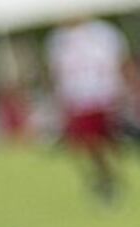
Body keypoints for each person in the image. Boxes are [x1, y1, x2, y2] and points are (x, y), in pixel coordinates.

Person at [46, 13, 133, 204]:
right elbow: (56, 73)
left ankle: (112, 178)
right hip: (78, 100)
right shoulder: (57, 39)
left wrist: (126, 92)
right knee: (87, 144)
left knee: (111, 140)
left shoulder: (104, 32)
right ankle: (105, 178)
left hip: (105, 95)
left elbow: (121, 63)